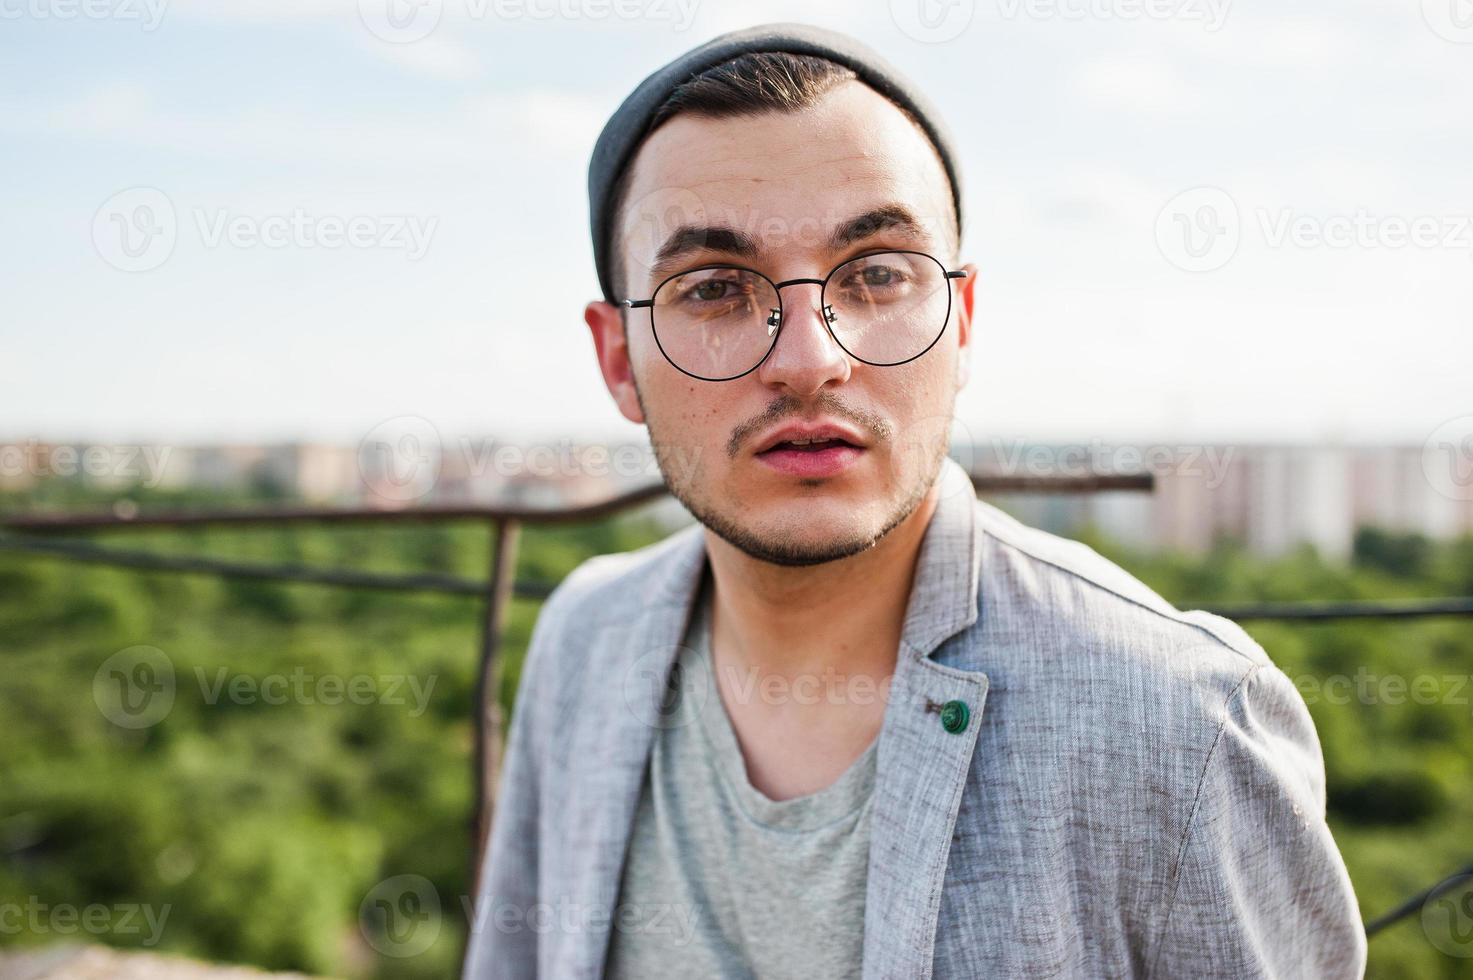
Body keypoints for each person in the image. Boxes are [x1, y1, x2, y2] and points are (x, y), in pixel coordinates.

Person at [463, 22, 1366, 979]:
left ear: (961, 325)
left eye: (877, 274)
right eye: (716, 289)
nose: (810, 360)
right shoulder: (583, 640)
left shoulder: (1179, 726)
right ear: (618, 361)